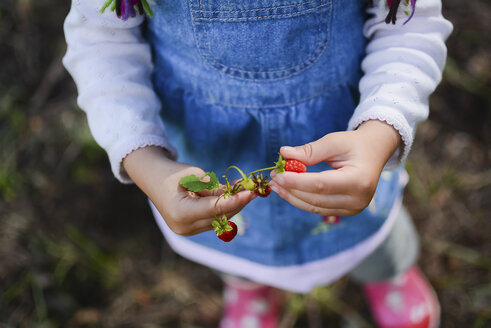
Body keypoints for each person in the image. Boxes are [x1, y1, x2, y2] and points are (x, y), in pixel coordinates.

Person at [63, 0, 452, 327]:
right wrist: (144, 160)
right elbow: (101, 39)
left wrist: (377, 134)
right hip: (208, 156)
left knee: (372, 239)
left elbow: (408, 23)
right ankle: (250, 287)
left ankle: (390, 273)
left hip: (343, 154)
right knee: (232, 238)